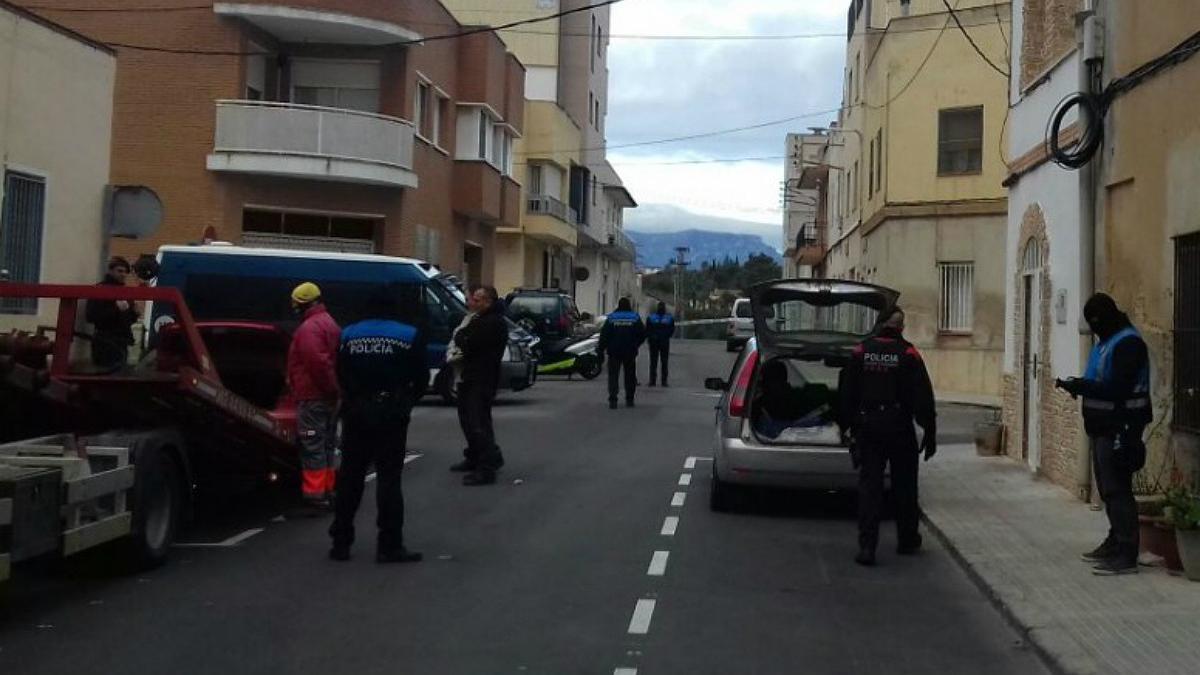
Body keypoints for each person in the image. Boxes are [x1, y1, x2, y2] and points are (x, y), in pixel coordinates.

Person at [1056, 293, 1152, 576]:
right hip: (1101, 427)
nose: (1094, 327)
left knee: (1117, 489)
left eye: (1096, 322)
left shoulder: (1128, 344)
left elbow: (1117, 389)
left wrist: (1083, 387)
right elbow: (1101, 382)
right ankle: (1116, 539)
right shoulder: (1107, 342)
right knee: (1109, 489)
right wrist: (1079, 385)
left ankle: (1126, 552)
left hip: (1122, 426)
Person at [329, 286, 426, 563]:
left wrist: (353, 398)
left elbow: (340, 371)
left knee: (350, 477)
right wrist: (405, 402)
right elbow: (420, 377)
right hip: (391, 413)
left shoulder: (348, 334)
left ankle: (341, 541)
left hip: (357, 411)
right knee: (389, 479)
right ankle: (389, 544)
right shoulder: (408, 335)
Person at [840, 308, 937, 567]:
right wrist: (929, 430)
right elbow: (923, 397)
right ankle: (906, 539)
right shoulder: (908, 354)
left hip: (869, 427)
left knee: (870, 488)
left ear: (878, 323)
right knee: (905, 486)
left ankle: (867, 546)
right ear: (901, 327)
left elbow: (847, 391)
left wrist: (845, 426)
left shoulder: (861, 352)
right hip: (899, 427)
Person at [286, 282, 341, 509]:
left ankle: (314, 495)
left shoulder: (309, 328)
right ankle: (327, 490)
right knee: (327, 444)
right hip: (326, 397)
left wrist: (328, 390)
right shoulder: (329, 323)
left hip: (312, 398)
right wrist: (335, 393)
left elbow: (318, 363)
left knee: (312, 444)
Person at [451, 286, 509, 486]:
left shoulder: (492, 323)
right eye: (472, 299)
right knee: (467, 419)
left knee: (478, 423)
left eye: (477, 300)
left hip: (482, 378)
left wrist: (461, 337)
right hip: (470, 376)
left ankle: (486, 468)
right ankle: (475, 456)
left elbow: (467, 342)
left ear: (488, 302)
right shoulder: (478, 319)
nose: (471, 303)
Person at [86, 257, 140, 371]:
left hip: (121, 342)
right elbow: (91, 316)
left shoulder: (125, 292)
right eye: (119, 271)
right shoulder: (99, 289)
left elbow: (127, 320)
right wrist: (116, 309)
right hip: (105, 342)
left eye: (125, 272)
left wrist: (134, 314)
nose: (123, 274)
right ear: (110, 271)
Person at [598, 297, 646, 409]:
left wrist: (601, 349)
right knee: (630, 375)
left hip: (614, 351)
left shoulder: (611, 317)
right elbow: (642, 334)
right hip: (630, 351)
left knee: (613, 376)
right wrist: (636, 344)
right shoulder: (634, 317)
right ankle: (630, 399)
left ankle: (613, 399)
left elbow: (604, 335)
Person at [646, 301, 676, 387]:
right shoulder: (669, 318)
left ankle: (652, 381)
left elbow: (648, 329)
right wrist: (666, 336)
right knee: (664, 362)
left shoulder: (651, 317)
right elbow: (672, 329)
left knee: (653, 362)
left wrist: (651, 337)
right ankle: (664, 381)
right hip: (664, 342)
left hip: (654, 342)